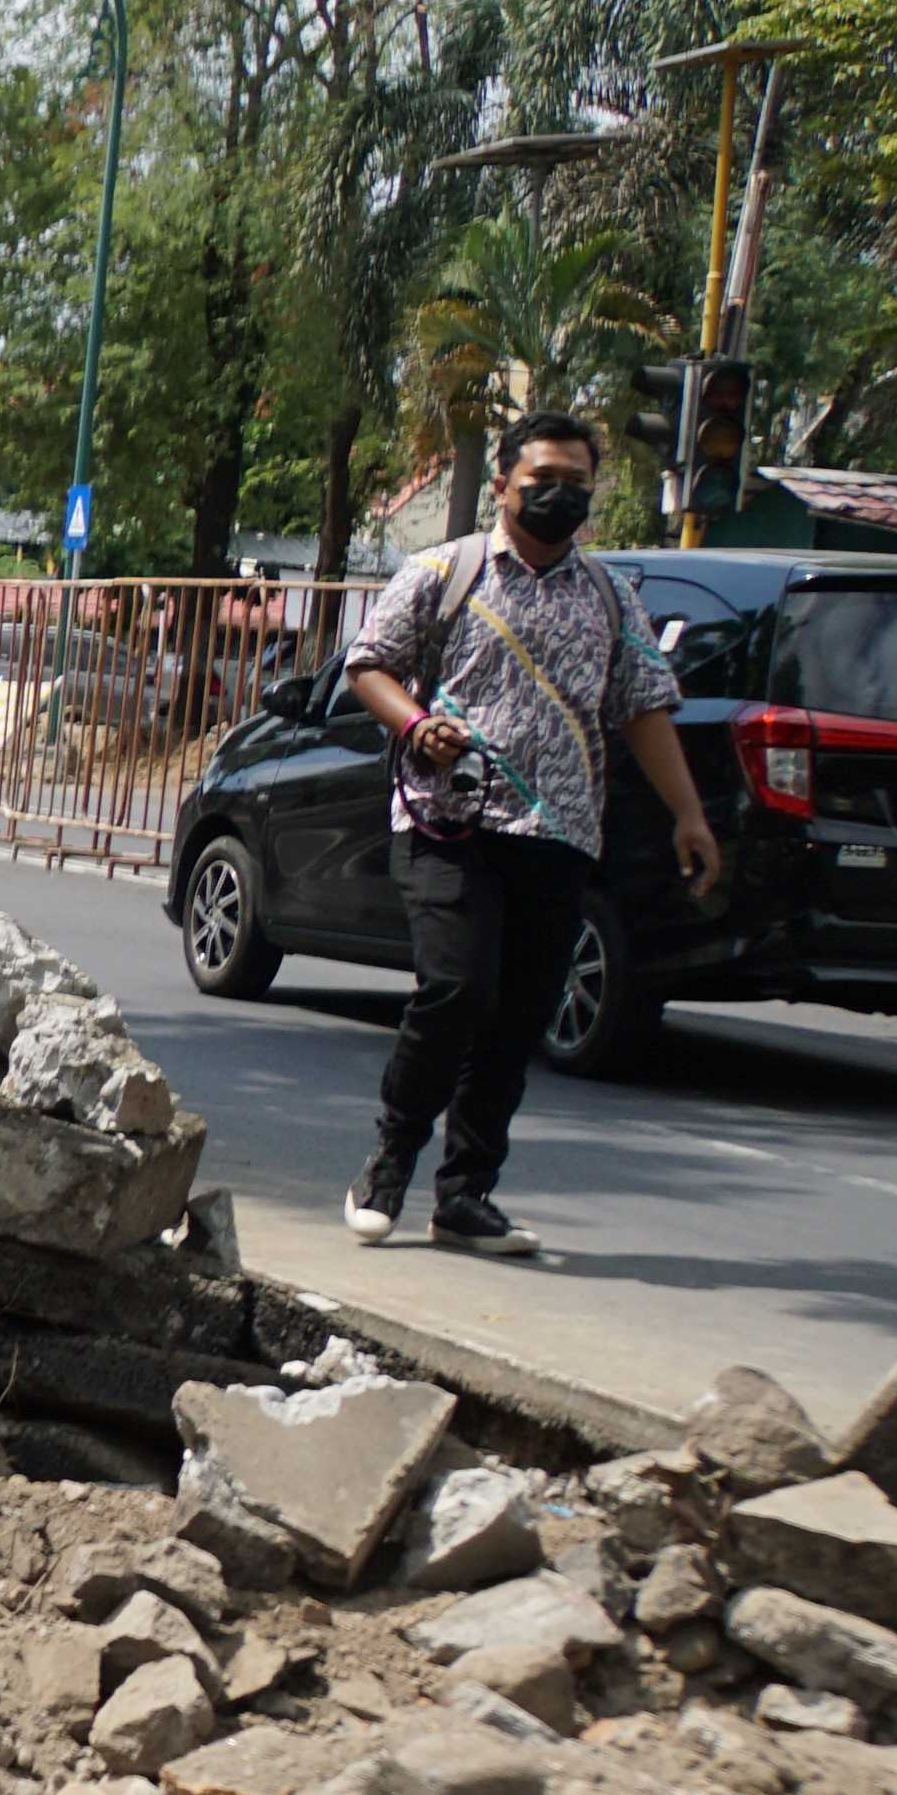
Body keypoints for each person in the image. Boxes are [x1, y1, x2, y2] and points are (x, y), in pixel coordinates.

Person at [335, 412, 723, 1257]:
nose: (559, 494)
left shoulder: (610, 596)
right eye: (542, 477)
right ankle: (390, 1159)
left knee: (516, 1018)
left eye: (576, 483)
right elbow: (367, 664)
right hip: (448, 821)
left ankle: (466, 1195)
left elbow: (642, 707)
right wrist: (413, 727)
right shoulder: (443, 571)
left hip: (559, 831)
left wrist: (688, 813)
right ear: (503, 482)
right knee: (456, 988)